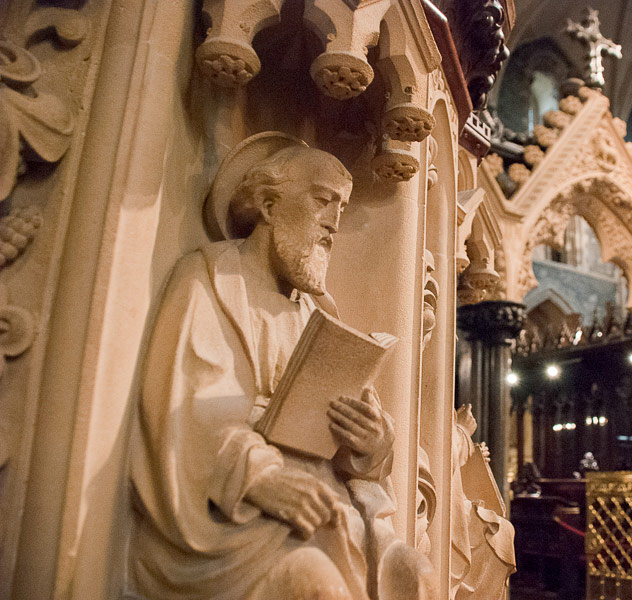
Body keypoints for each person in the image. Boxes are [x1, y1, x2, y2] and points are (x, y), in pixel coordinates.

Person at [131, 132, 433, 600]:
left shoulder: (315, 315)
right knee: (317, 586)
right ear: (270, 206)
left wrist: (372, 445)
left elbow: (346, 432)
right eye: (323, 201)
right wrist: (260, 478)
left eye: (343, 207)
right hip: (235, 507)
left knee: (415, 574)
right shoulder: (210, 279)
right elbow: (185, 405)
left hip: (323, 500)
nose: (334, 223)